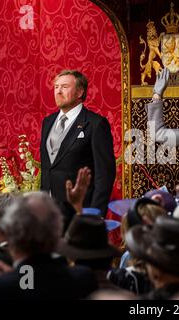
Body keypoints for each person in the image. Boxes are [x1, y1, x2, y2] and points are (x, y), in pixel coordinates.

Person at [40, 70, 116, 225]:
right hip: (49, 211)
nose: (58, 91)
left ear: (80, 91)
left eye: (65, 87)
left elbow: (105, 174)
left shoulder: (95, 124)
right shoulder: (48, 122)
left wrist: (95, 214)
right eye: (56, 87)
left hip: (79, 212)